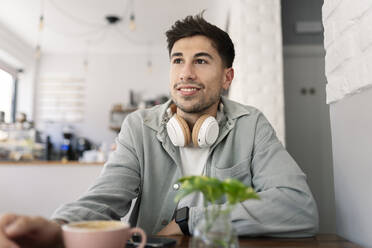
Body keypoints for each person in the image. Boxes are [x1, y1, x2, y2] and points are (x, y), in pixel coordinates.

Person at [0, 13, 318, 248]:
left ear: (227, 77)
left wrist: (188, 221)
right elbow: (105, 197)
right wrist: (59, 226)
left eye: (202, 61)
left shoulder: (252, 124)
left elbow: (298, 208)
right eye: (177, 60)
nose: (186, 73)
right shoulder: (139, 126)